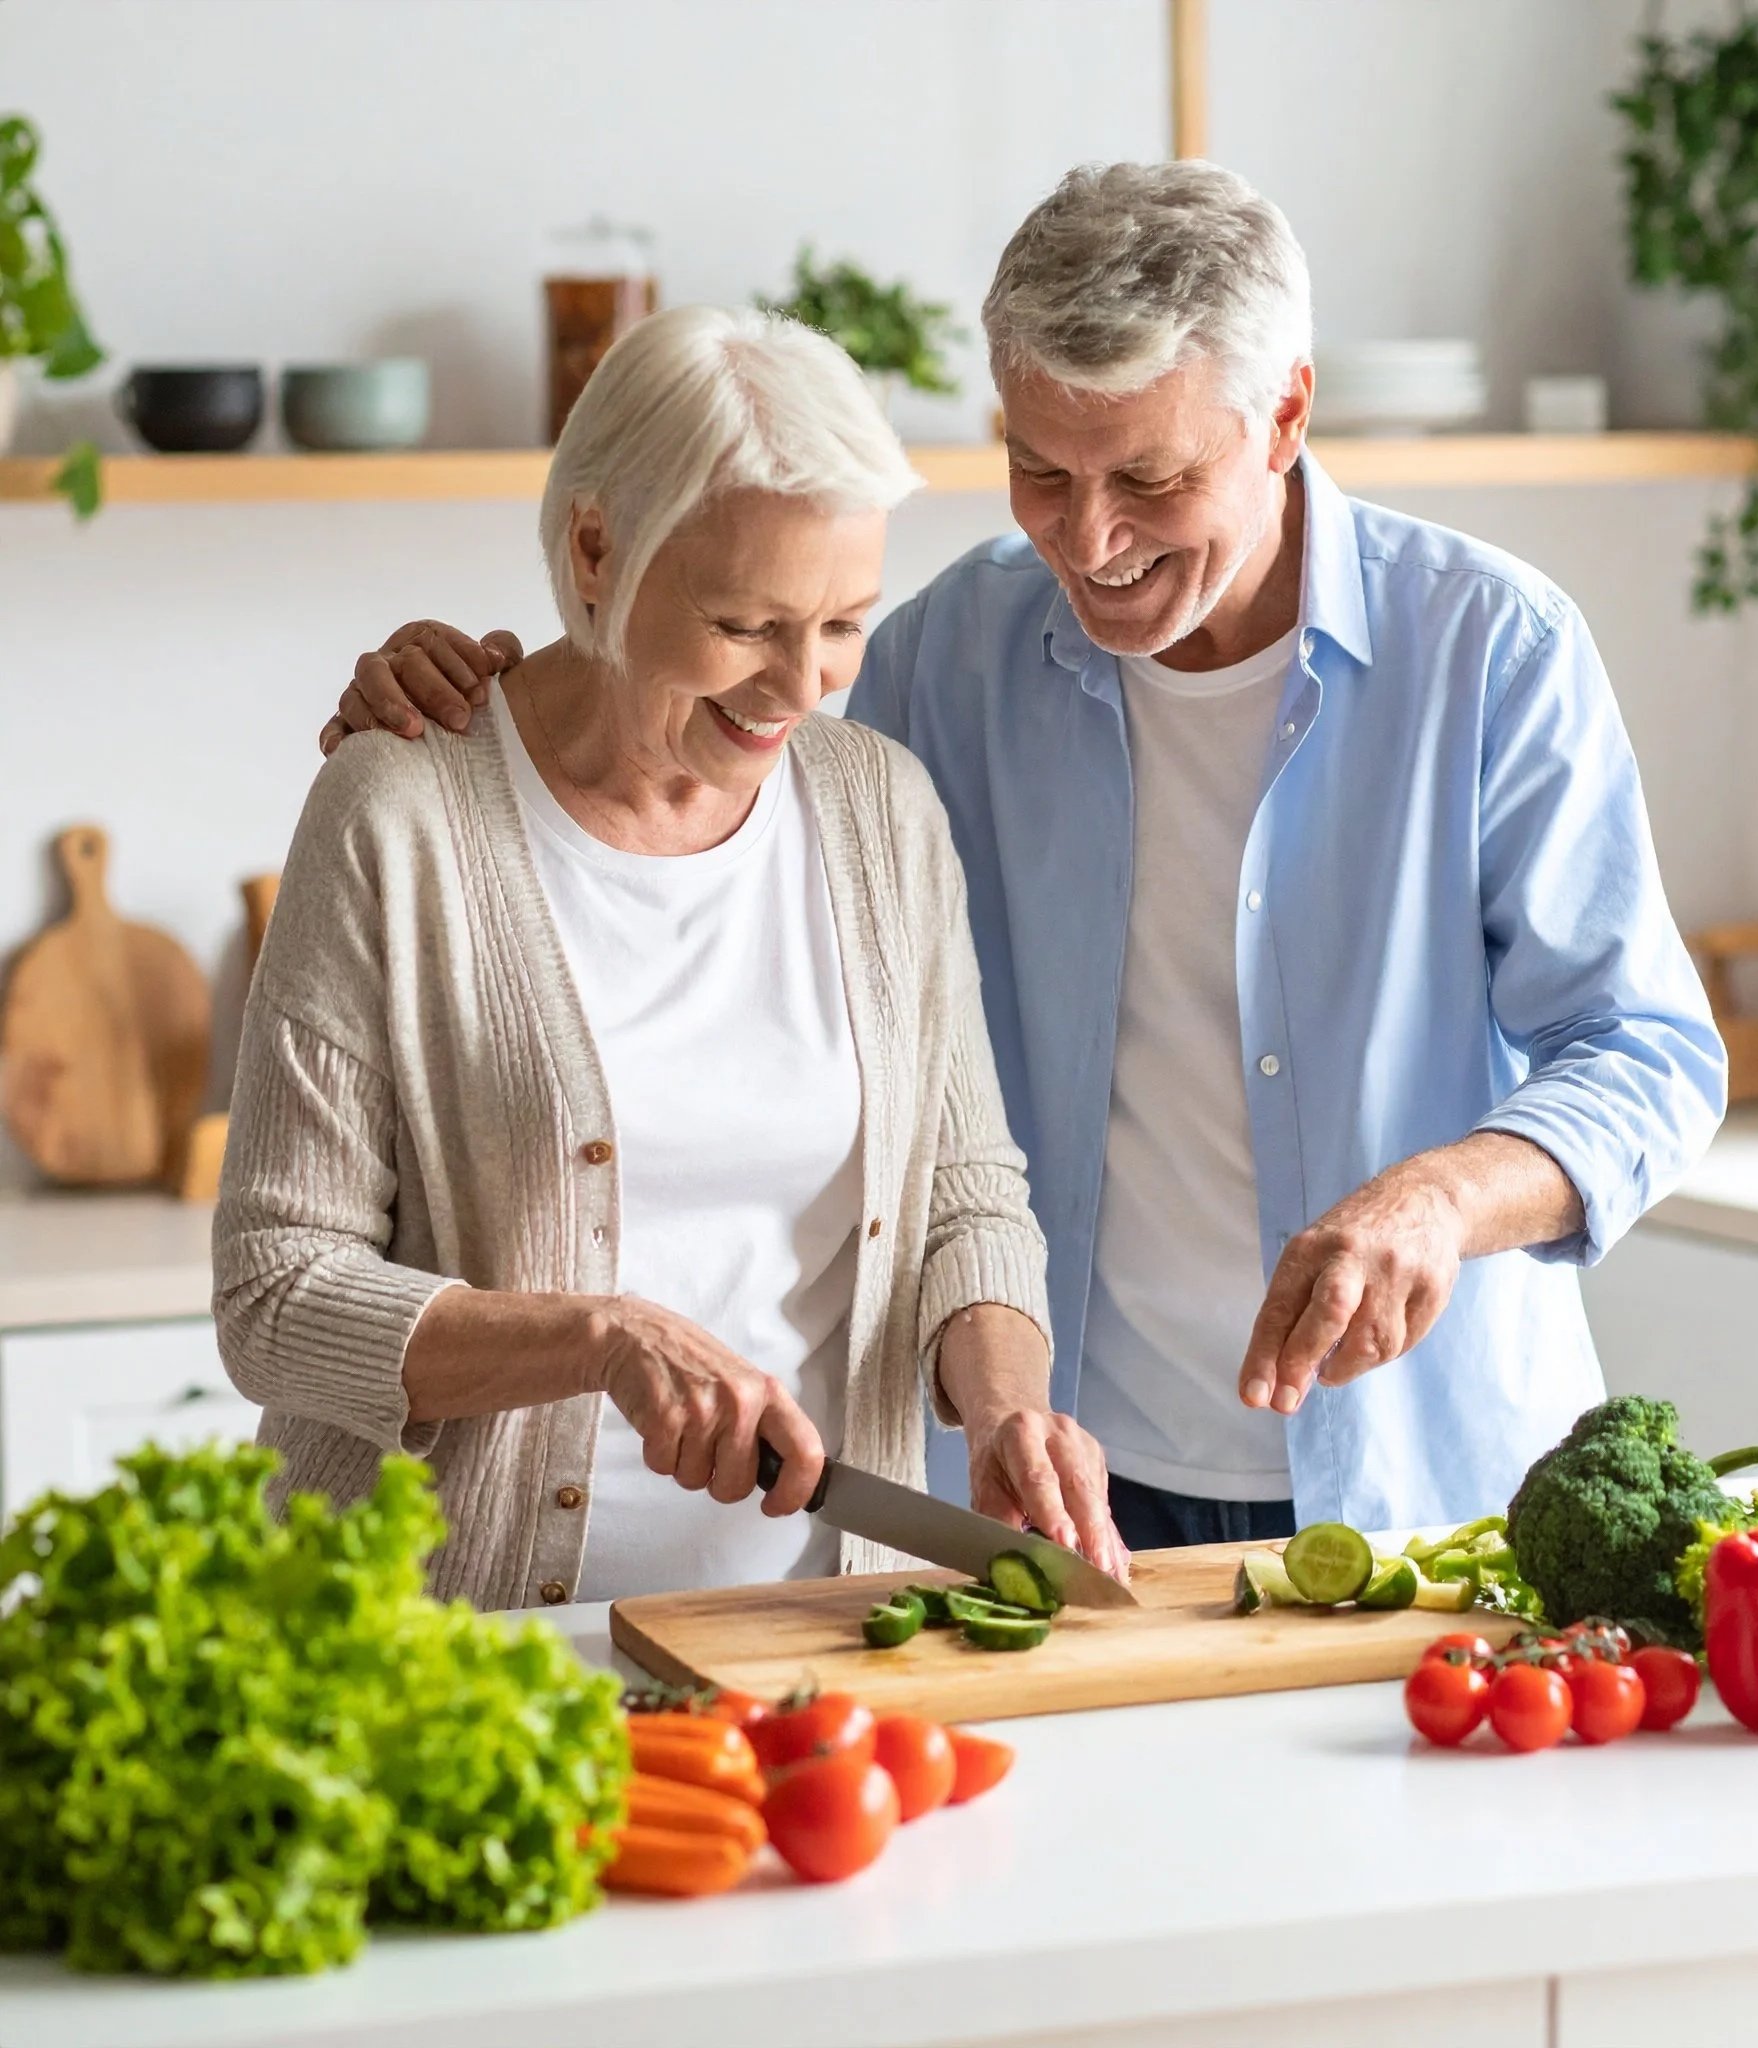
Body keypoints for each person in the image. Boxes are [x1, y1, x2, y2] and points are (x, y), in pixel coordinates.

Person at [321, 162, 1726, 1554]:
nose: (1092, 539)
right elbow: (704, 753)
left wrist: (1444, 1197)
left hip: (1423, 1481)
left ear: (1284, 413)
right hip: (1049, 1490)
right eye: (1039, 471)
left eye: (1151, 479)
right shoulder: (944, 655)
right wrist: (472, 707)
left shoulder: (1492, 652)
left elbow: (1650, 1053)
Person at [218, 305, 1124, 1611]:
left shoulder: (881, 810)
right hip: (447, 1646)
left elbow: (965, 1196)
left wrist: (1003, 1410)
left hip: (807, 1630)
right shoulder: (400, 815)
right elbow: (277, 1296)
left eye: (843, 625)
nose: (801, 683)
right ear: (598, 548)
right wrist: (599, 1337)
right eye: (748, 624)